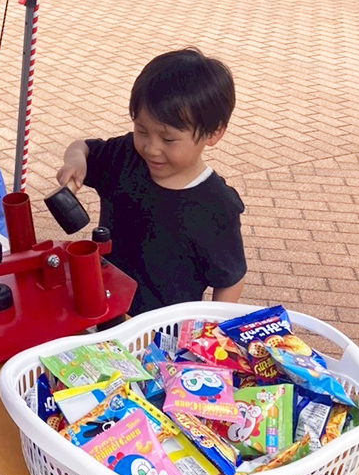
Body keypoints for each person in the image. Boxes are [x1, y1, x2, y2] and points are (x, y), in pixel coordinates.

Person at [56, 48, 246, 316]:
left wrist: (210, 331)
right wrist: (76, 161)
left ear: (213, 134)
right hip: (103, 310)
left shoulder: (216, 206)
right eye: (142, 130)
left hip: (162, 334)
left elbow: (230, 278)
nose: (151, 148)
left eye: (168, 139)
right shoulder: (126, 156)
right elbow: (83, 147)